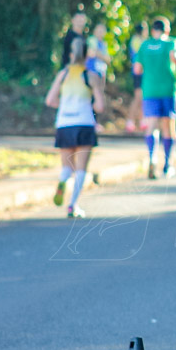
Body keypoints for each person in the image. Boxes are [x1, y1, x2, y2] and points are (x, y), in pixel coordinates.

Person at [45, 37, 105, 218]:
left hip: (64, 123)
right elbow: (100, 107)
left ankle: (63, 180)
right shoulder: (91, 76)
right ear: (87, 55)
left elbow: (50, 100)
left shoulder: (63, 74)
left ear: (71, 55)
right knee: (81, 168)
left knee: (67, 166)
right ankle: (72, 205)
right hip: (84, 123)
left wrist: (64, 105)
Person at [134, 18, 176, 179]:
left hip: (149, 90)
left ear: (152, 30)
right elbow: (175, 57)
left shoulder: (144, 45)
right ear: (167, 30)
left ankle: (152, 158)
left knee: (151, 125)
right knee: (169, 126)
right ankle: (167, 165)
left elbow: (137, 69)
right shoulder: (171, 43)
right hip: (168, 89)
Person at [124, 22, 147, 133]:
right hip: (138, 72)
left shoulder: (139, 40)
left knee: (141, 97)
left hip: (141, 72)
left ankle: (141, 121)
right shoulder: (138, 41)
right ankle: (130, 121)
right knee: (138, 97)